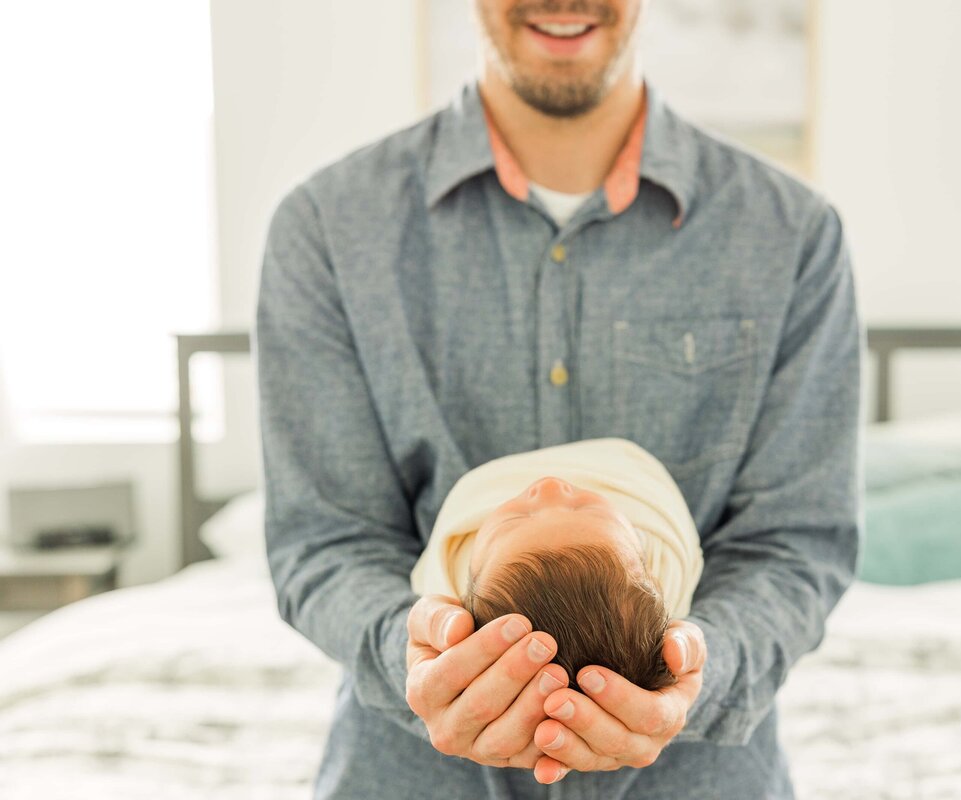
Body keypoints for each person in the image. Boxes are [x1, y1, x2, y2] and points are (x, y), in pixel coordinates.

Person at [255, 0, 863, 796]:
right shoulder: (328, 231)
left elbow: (796, 543)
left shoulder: (792, 236)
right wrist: (420, 653)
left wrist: (691, 674)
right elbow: (324, 541)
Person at [409, 437, 705, 692]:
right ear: (651, 573)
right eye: (586, 510)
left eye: (515, 521)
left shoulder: (450, 573)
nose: (549, 485)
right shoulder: (667, 557)